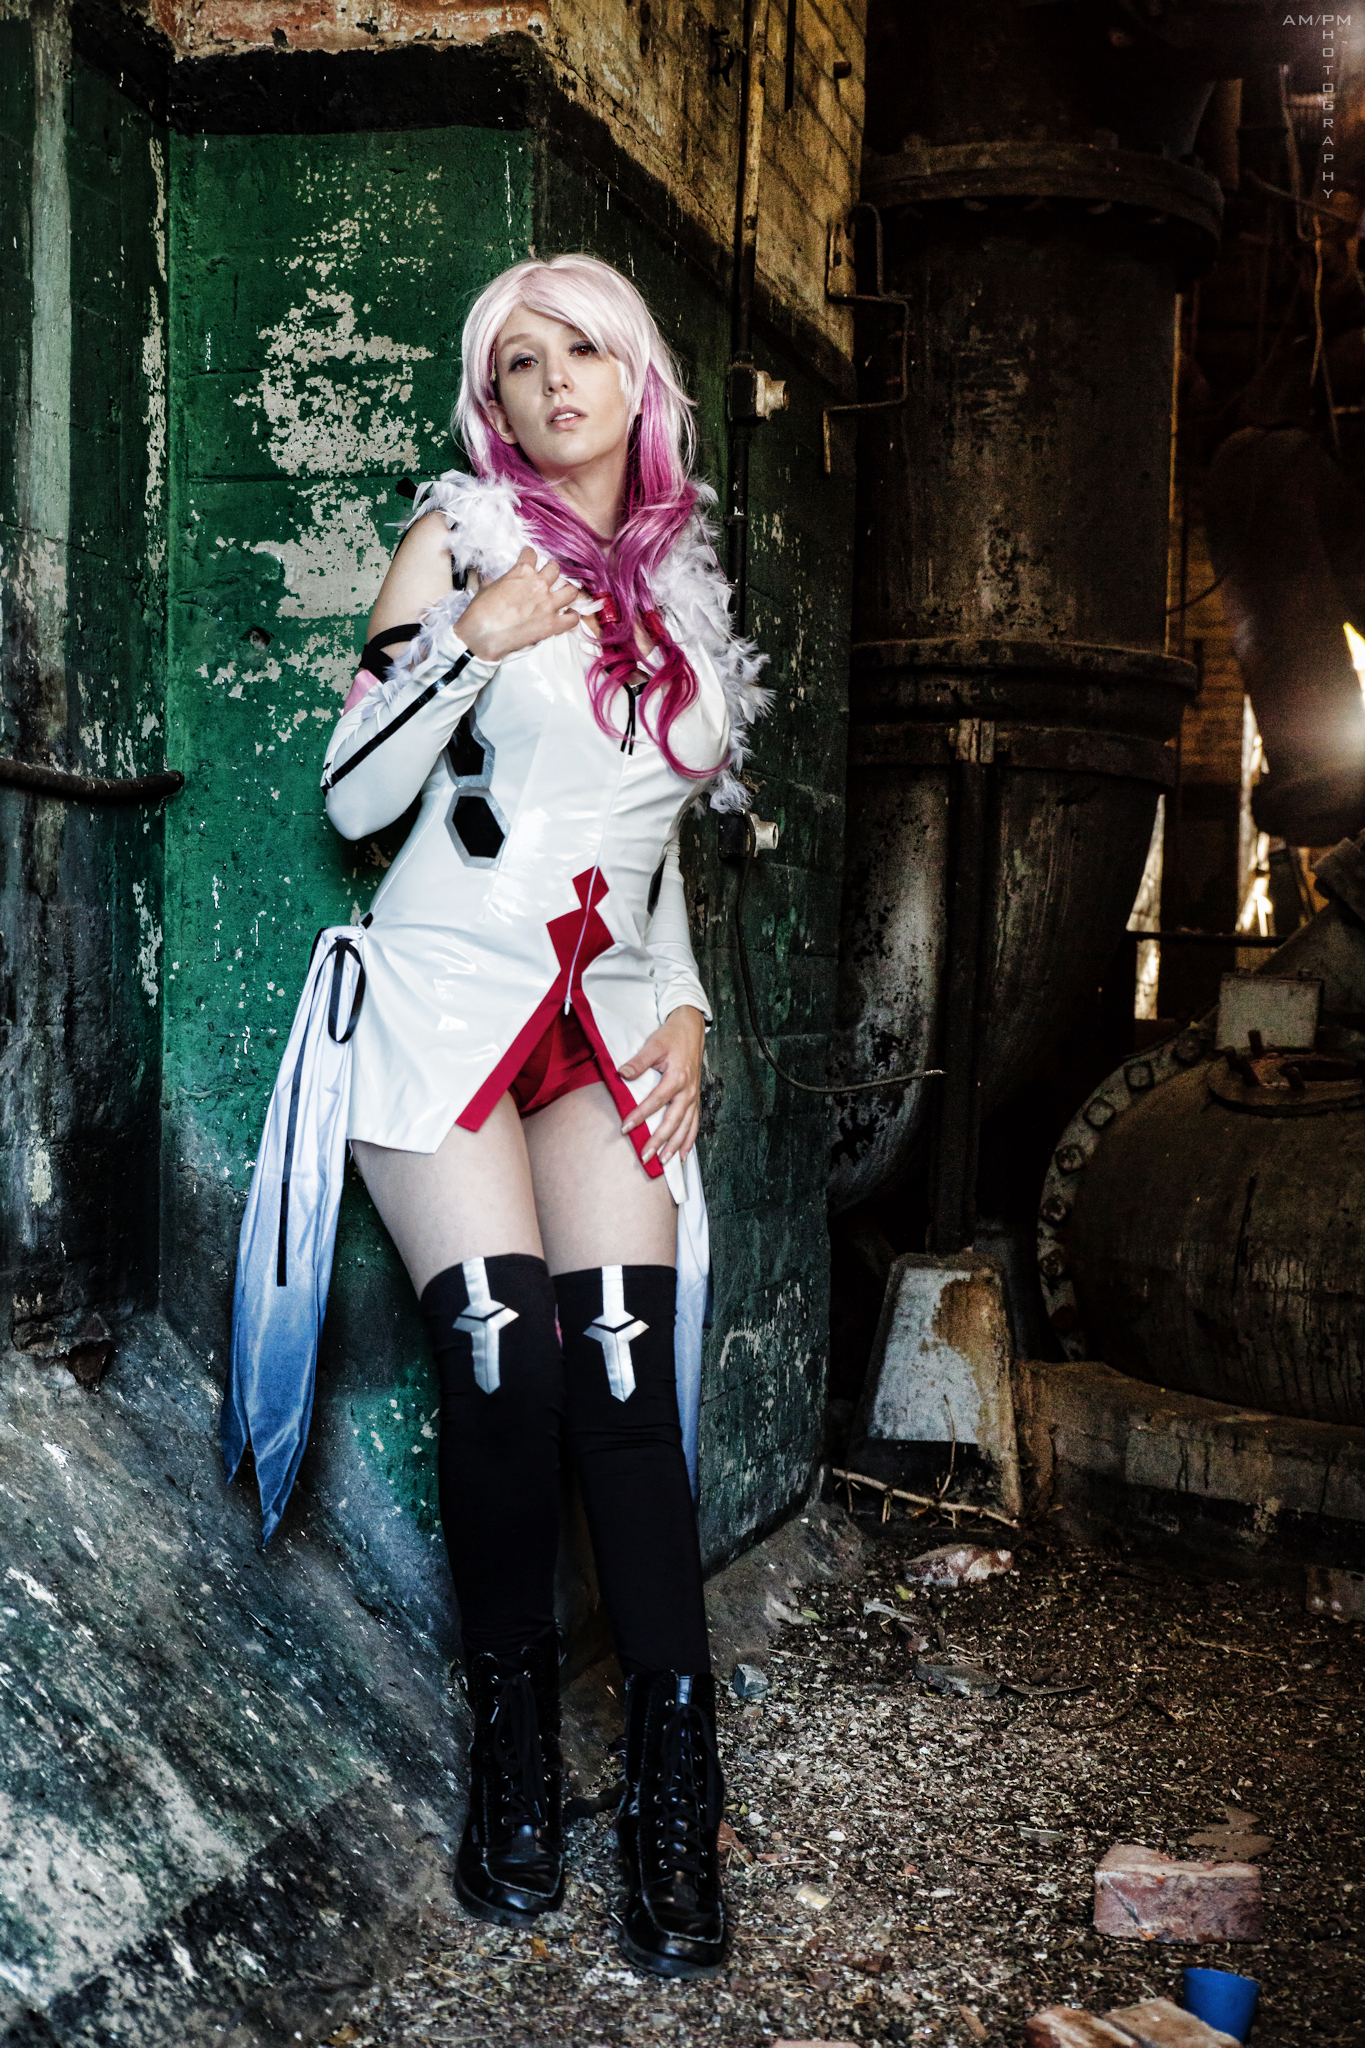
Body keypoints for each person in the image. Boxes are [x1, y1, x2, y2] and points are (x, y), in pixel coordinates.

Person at [315, 254, 770, 1977]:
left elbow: (640, 848)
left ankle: (671, 1792)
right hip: (444, 1002)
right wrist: (464, 643)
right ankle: (511, 1759)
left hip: (611, 1017)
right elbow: (352, 796)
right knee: (503, 1366)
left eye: (585, 349)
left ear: (637, 378)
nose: (555, 379)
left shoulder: (685, 590)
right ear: (488, 398)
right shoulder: (455, 540)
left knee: (627, 1392)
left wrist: (691, 1002)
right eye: (520, 360)